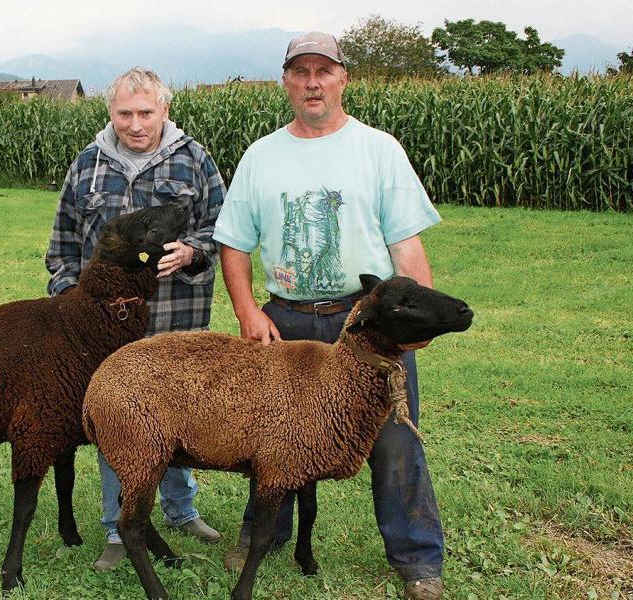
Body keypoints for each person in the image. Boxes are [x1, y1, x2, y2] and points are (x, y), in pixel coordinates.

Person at [212, 32, 446, 600]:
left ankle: (417, 558)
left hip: (364, 324)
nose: (312, 82)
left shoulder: (378, 149)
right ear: (286, 82)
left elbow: (406, 247)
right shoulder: (261, 155)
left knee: (393, 436)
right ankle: (261, 536)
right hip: (285, 320)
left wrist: (416, 318)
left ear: (343, 78)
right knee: (275, 436)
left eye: (323, 71)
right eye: (301, 72)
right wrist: (247, 311)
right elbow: (234, 244)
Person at [46, 67, 225, 571]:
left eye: (145, 112)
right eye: (124, 113)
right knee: (117, 422)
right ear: (111, 113)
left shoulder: (195, 160)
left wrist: (192, 251)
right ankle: (117, 529)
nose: (135, 124)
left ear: (164, 110)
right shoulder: (86, 166)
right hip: (106, 333)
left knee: (179, 416)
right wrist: (75, 303)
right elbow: (61, 249)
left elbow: (222, 227)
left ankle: (180, 509)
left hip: (177, 319)